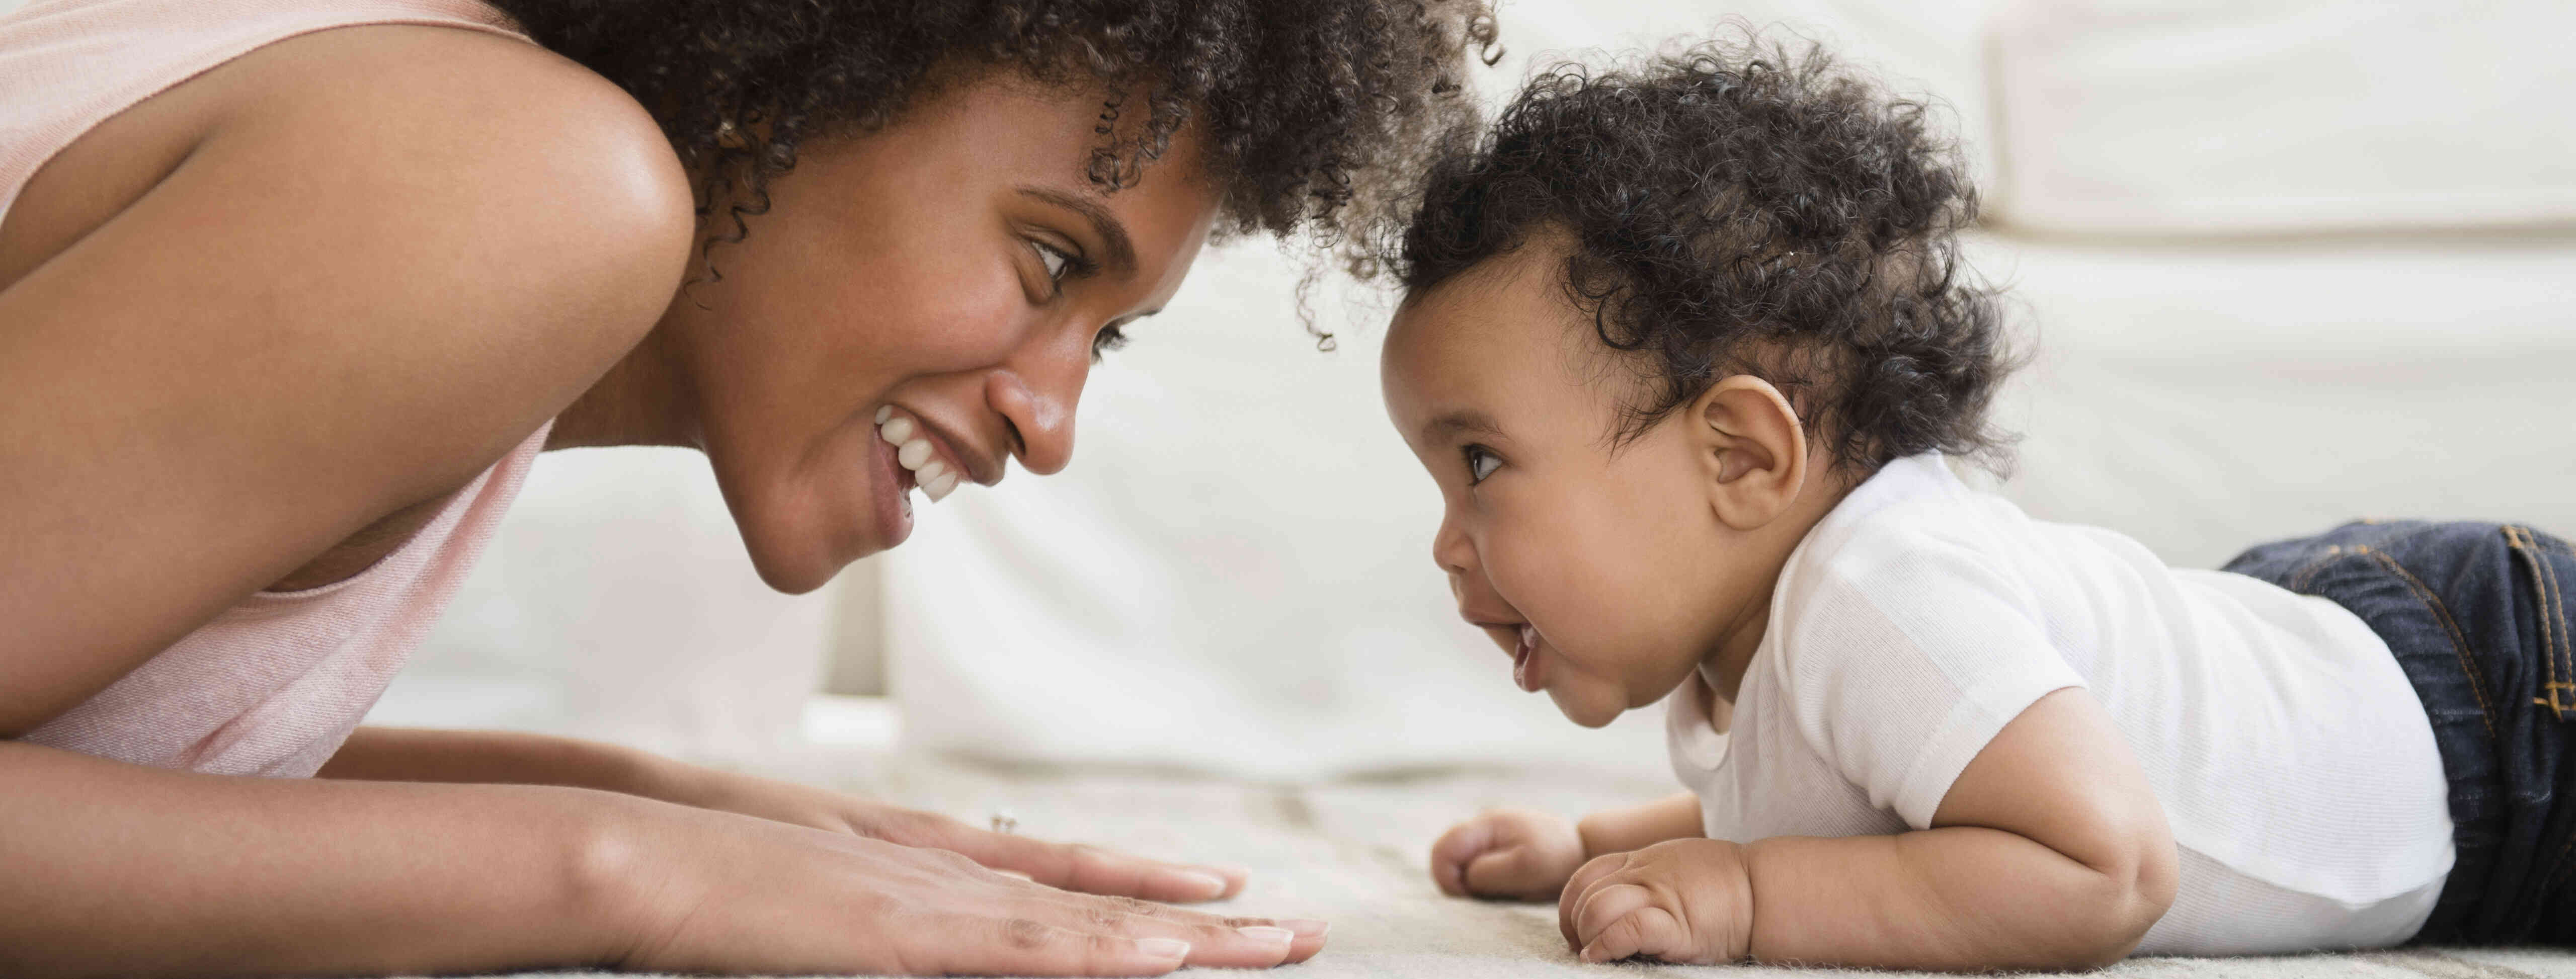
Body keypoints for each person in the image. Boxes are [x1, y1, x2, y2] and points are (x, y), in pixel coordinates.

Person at [0, 0, 1491, 974]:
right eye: (1049, 260)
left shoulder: (450, 169)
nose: (1053, 422)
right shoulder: (519, 186)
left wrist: (678, 802)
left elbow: (105, 740)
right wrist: (639, 875)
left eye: (1108, 336)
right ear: (779, 89)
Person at [1378, 36, 2576, 970]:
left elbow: (2104, 866)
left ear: (1740, 457)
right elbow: (1852, 797)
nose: (1445, 541)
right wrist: (1597, 846)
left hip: (2498, 707)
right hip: (2346, 659)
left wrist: (1747, 896)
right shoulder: (1757, 637)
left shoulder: (1878, 592)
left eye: (1479, 463)